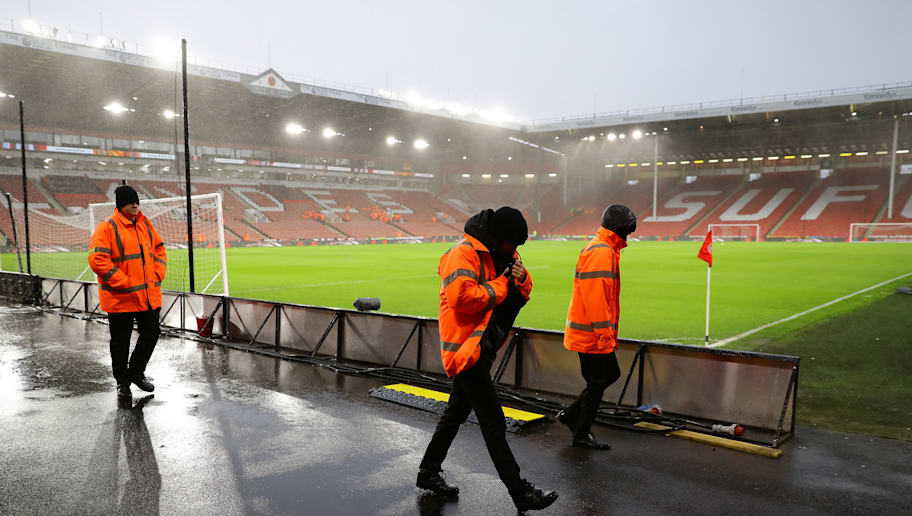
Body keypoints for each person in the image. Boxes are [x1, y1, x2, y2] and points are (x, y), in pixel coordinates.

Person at [417, 207, 558, 512]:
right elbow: (463, 299)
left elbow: (522, 289)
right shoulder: (462, 254)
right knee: (493, 421)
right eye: (514, 245)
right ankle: (520, 492)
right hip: (464, 352)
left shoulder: (501, 254)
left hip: (482, 348)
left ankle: (428, 471)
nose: (517, 251)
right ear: (499, 237)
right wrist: (504, 284)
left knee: (454, 414)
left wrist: (519, 279)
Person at [557, 204, 637, 449]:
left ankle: (573, 418)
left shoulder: (606, 249)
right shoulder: (602, 252)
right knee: (600, 379)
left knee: (605, 376)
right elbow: (596, 299)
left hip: (591, 332)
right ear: (621, 227)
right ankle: (579, 430)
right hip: (591, 334)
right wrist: (604, 335)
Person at [88, 185, 167, 400]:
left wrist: (158, 272)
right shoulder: (106, 228)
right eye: (129, 201)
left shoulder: (145, 224)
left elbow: (159, 249)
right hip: (120, 297)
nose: (134, 204)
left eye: (136, 201)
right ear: (120, 204)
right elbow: (98, 260)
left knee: (151, 333)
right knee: (120, 341)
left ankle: (135, 373)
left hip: (147, 296)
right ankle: (123, 382)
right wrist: (123, 282)